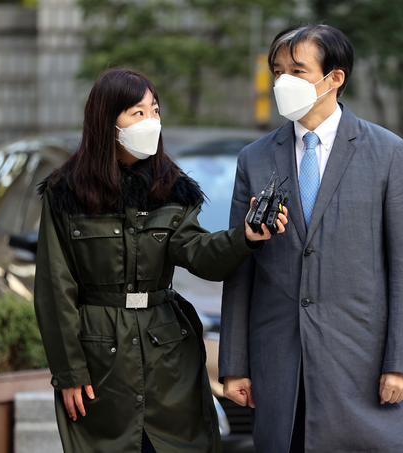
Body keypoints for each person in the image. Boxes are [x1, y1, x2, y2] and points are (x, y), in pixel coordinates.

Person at [219, 23, 403, 453]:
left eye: (298, 70)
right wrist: (234, 365)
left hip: (359, 364)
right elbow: (240, 269)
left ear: (335, 78)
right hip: (280, 362)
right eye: (277, 71)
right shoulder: (254, 158)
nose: (283, 81)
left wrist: (400, 365)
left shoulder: (388, 153)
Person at [33, 68, 287, 453]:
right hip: (100, 361)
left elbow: (198, 253)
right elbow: (55, 286)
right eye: (137, 113)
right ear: (107, 121)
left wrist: (246, 237)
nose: (151, 121)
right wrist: (69, 371)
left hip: (168, 354)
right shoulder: (65, 193)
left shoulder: (171, 187)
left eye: (155, 110)